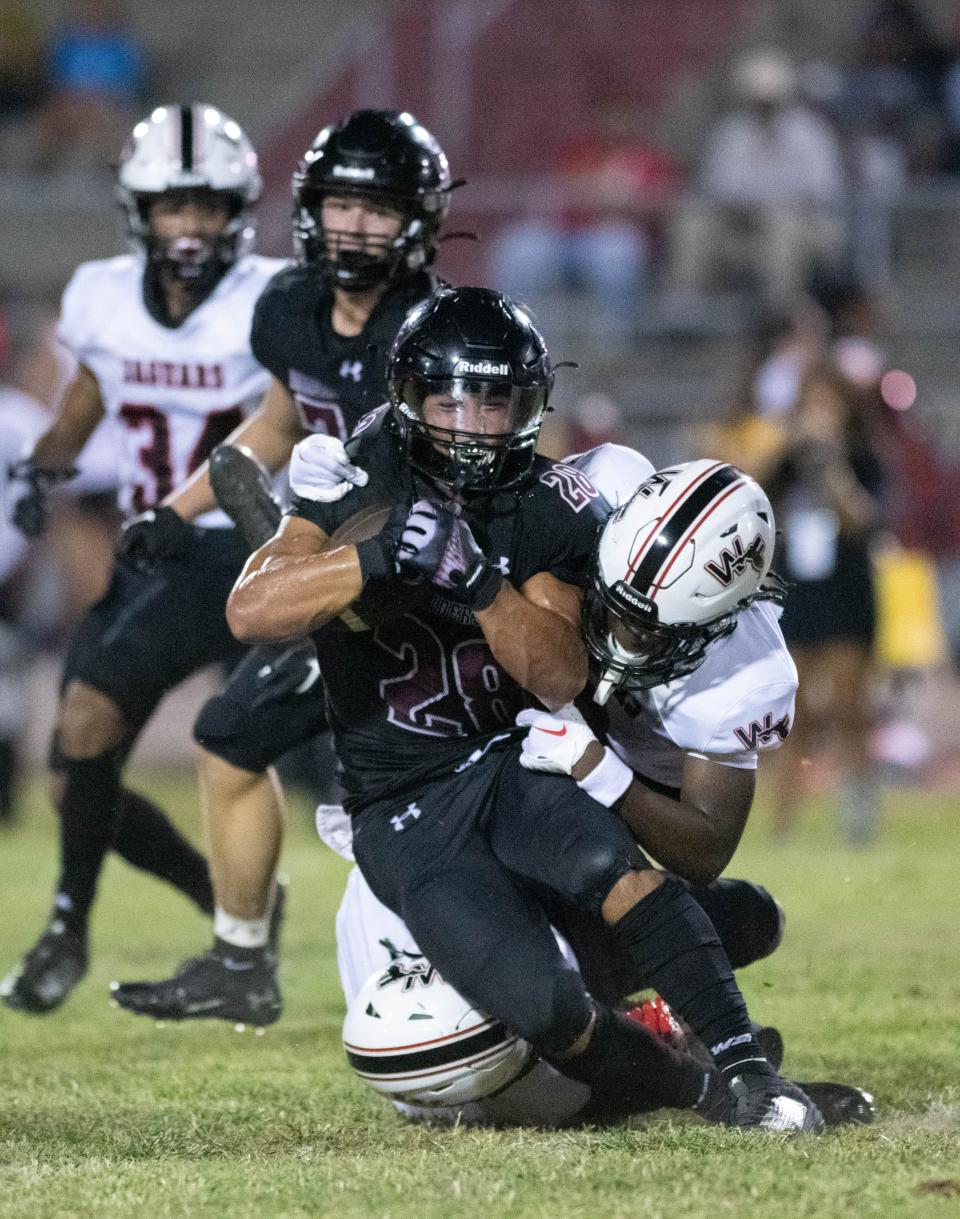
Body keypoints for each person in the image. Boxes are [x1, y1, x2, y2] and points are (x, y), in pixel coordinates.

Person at [211, 286, 823, 1131]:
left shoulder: (548, 504)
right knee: (515, 1014)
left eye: (496, 400)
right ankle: (697, 1078)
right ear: (411, 397)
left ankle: (745, 1069)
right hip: (400, 807)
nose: (473, 423)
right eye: (452, 398)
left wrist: (479, 584)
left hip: (509, 756)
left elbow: (559, 671)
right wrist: (373, 556)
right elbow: (252, 609)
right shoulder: (369, 463)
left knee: (611, 871)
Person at [110, 110, 455, 1025]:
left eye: (378, 209)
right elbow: (275, 424)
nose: (355, 227)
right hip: (330, 578)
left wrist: (345, 557)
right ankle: (241, 957)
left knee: (408, 800)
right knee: (227, 740)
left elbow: (447, 483)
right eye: (342, 204)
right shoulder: (293, 309)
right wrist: (172, 509)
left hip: (426, 591)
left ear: (416, 220)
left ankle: (472, 982)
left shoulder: (436, 328)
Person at [0, 104, 285, 1014]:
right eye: (174, 206)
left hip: (235, 544)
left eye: (207, 206)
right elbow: (92, 392)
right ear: (141, 211)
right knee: (67, 770)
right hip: (147, 544)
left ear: (237, 209)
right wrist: (48, 462)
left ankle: (66, 932)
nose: (192, 226)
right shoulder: (101, 296)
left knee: (87, 720)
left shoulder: (272, 299)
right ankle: (230, 902)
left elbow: (293, 417)